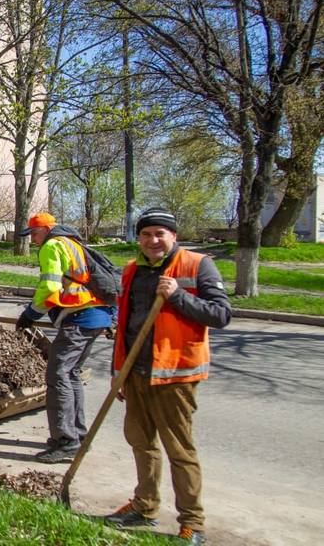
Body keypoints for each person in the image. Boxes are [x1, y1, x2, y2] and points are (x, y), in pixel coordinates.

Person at [104, 208, 231, 546]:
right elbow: (126, 327)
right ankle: (144, 507)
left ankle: (193, 523)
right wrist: (119, 373)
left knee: (180, 450)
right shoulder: (132, 270)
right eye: (146, 234)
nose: (153, 240)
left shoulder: (195, 265)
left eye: (160, 233)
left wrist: (177, 295)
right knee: (141, 443)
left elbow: (221, 314)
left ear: (173, 235)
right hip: (136, 374)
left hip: (174, 376)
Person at [16, 213, 115, 463]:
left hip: (79, 318)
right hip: (95, 315)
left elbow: (50, 287)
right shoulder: (73, 242)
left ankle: (65, 442)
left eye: (35, 234)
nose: (34, 240)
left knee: (58, 375)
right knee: (71, 375)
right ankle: (78, 436)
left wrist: (30, 314)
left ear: (48, 229)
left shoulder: (52, 246)